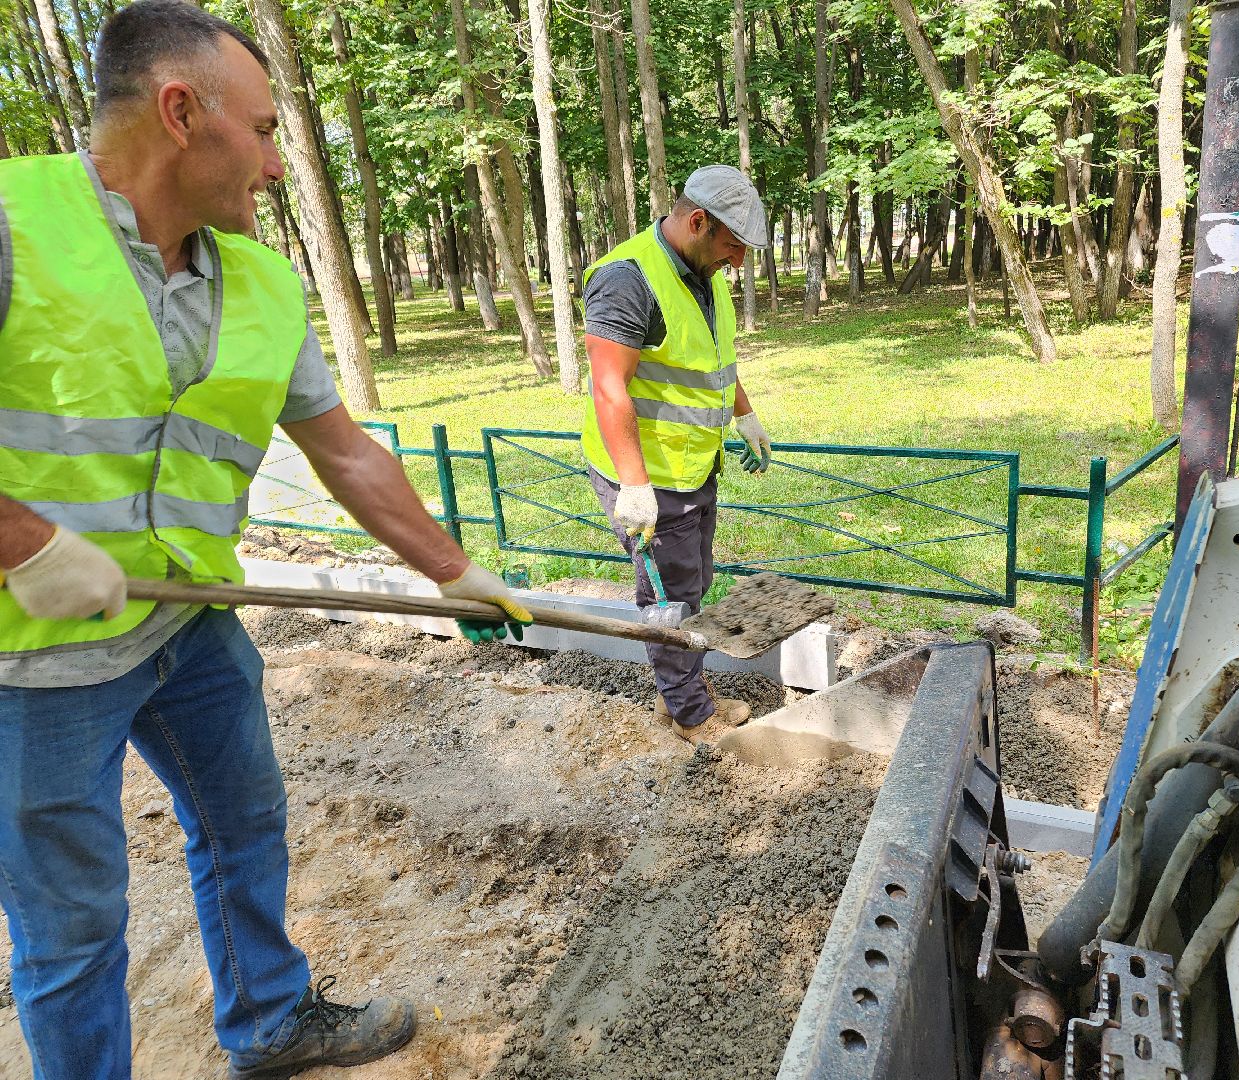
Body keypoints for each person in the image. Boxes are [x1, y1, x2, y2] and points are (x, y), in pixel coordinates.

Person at [0, 3, 531, 1077]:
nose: (282, 166)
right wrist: (19, 540)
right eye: (267, 128)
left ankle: (270, 1021)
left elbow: (347, 454)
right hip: (34, 663)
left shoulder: (260, 281)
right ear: (181, 112)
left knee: (245, 823)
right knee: (73, 927)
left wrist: (455, 571)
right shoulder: (13, 224)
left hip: (191, 627)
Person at [581, 165, 774, 744]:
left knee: (690, 584)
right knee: (667, 596)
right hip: (648, 475)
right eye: (733, 246)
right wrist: (635, 487)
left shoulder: (701, 272)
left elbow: (712, 361)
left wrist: (744, 412)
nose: (737, 262)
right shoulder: (627, 280)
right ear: (697, 222)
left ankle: (683, 691)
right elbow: (609, 387)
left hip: (692, 464)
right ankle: (689, 713)